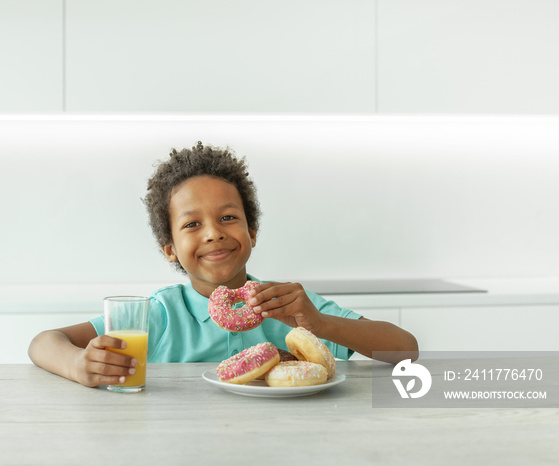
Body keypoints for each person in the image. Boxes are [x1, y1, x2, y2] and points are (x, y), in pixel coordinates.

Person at [28, 142, 419, 387]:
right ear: (170, 249)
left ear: (253, 231)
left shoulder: (290, 306)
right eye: (192, 224)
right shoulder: (160, 314)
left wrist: (319, 324)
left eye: (228, 218)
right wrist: (79, 363)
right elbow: (43, 343)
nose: (213, 233)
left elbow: (406, 350)